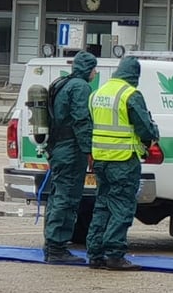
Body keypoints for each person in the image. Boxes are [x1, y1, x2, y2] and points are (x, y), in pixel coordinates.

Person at [87, 56, 159, 272]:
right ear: (134, 75)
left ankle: (95, 253)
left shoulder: (97, 93)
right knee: (122, 207)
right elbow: (145, 128)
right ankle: (114, 254)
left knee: (102, 205)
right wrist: (153, 135)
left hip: (100, 159)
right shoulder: (130, 94)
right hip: (123, 160)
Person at [42, 51, 97, 264]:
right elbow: (81, 121)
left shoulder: (63, 83)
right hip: (71, 150)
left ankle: (51, 246)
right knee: (67, 198)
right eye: (93, 68)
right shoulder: (81, 88)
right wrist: (88, 151)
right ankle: (57, 248)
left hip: (58, 148)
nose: (95, 72)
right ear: (87, 69)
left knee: (57, 196)